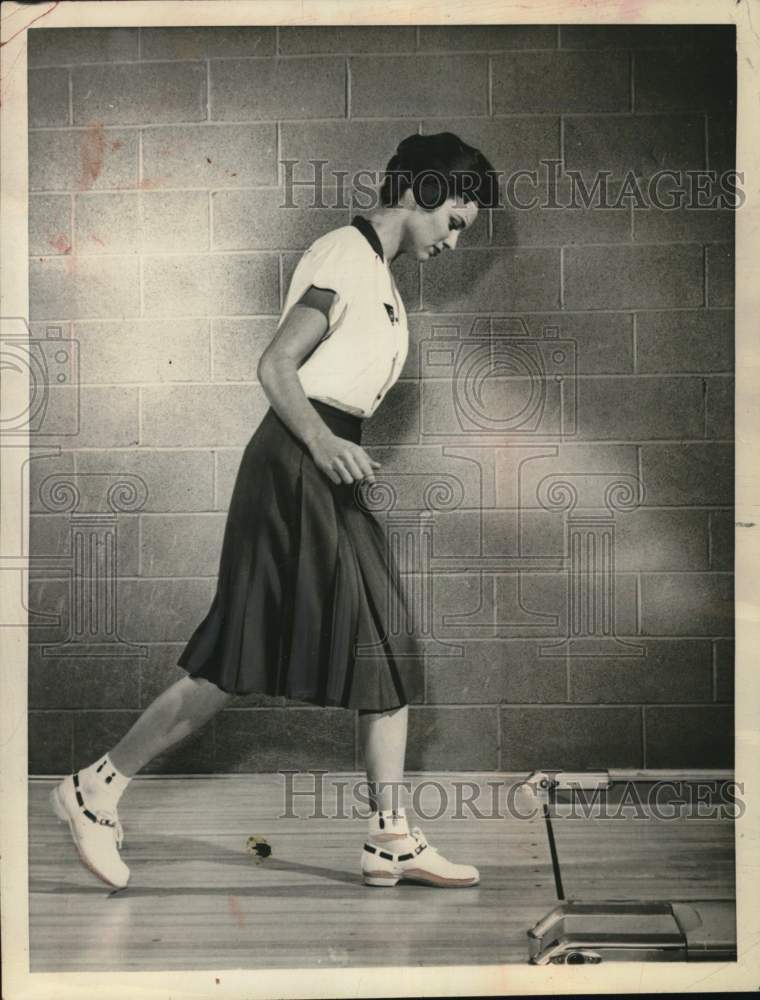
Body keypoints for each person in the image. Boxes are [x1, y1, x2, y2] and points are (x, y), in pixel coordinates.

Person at [51, 132, 498, 891]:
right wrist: (325, 446)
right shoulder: (344, 257)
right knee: (239, 652)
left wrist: (333, 449)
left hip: (323, 463)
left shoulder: (378, 274)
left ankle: (390, 838)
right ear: (423, 193)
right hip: (297, 463)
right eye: (454, 220)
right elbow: (275, 364)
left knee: (381, 644)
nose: (454, 241)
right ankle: (96, 788)